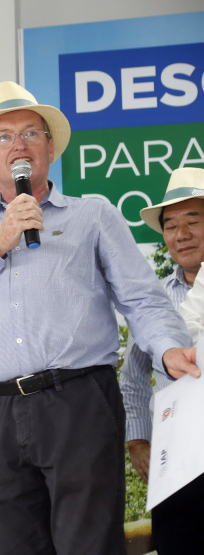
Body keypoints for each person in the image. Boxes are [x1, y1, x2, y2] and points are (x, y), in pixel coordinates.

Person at [0, 82, 197, 555]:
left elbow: (143, 300)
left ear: (50, 148)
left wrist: (169, 347)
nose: (18, 145)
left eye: (30, 133)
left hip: (80, 403)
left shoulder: (93, 215)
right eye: (3, 137)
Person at [134, 168, 204, 553]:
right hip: (175, 465)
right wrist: (137, 441)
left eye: (193, 220)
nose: (182, 234)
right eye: (172, 225)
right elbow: (131, 380)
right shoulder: (152, 301)